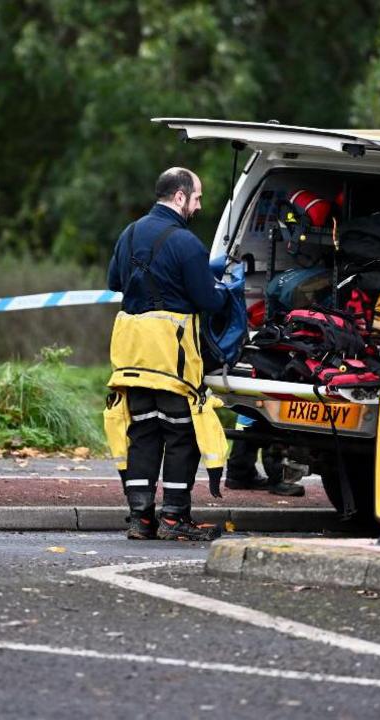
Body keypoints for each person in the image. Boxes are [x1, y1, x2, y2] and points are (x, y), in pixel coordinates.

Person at [104, 167, 229, 541]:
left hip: (130, 355)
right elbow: (208, 300)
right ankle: (174, 518)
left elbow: (114, 282)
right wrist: (227, 290)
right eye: (197, 197)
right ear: (179, 197)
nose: (200, 205)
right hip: (171, 358)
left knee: (142, 432)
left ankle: (140, 519)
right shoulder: (187, 242)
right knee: (180, 435)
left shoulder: (129, 234)